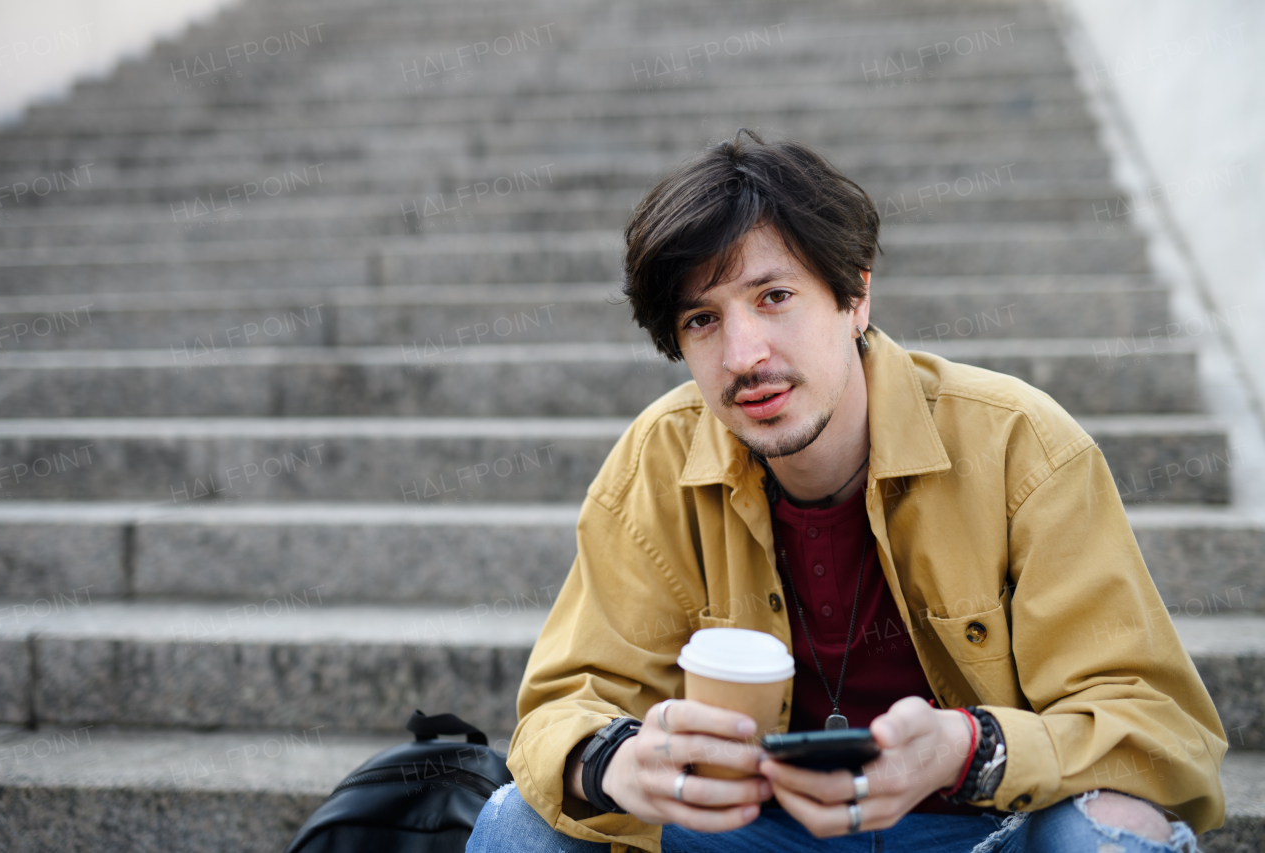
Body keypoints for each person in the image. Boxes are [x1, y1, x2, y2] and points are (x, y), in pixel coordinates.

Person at [465, 130, 1225, 853]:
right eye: (703, 319)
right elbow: (561, 708)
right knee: (520, 818)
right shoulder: (656, 461)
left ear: (855, 296)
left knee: (1113, 822)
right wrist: (615, 761)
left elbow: (1156, 726)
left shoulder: (1021, 445)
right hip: (746, 830)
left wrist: (969, 746)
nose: (743, 355)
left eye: (773, 297)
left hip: (982, 826)